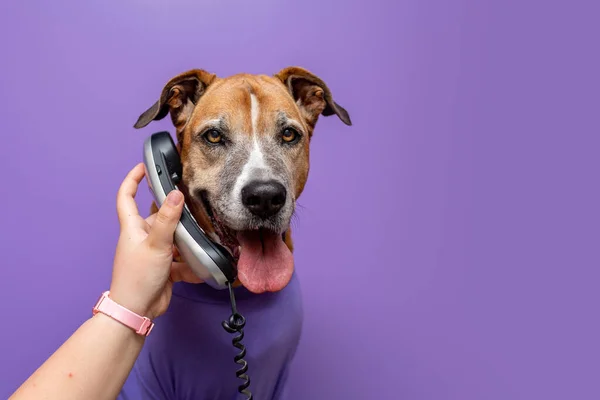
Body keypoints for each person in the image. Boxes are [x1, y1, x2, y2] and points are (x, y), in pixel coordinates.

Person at [9, 163, 303, 400]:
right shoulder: (160, 309)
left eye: (287, 135)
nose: (264, 183)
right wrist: (128, 304)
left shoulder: (287, 300)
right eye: (215, 137)